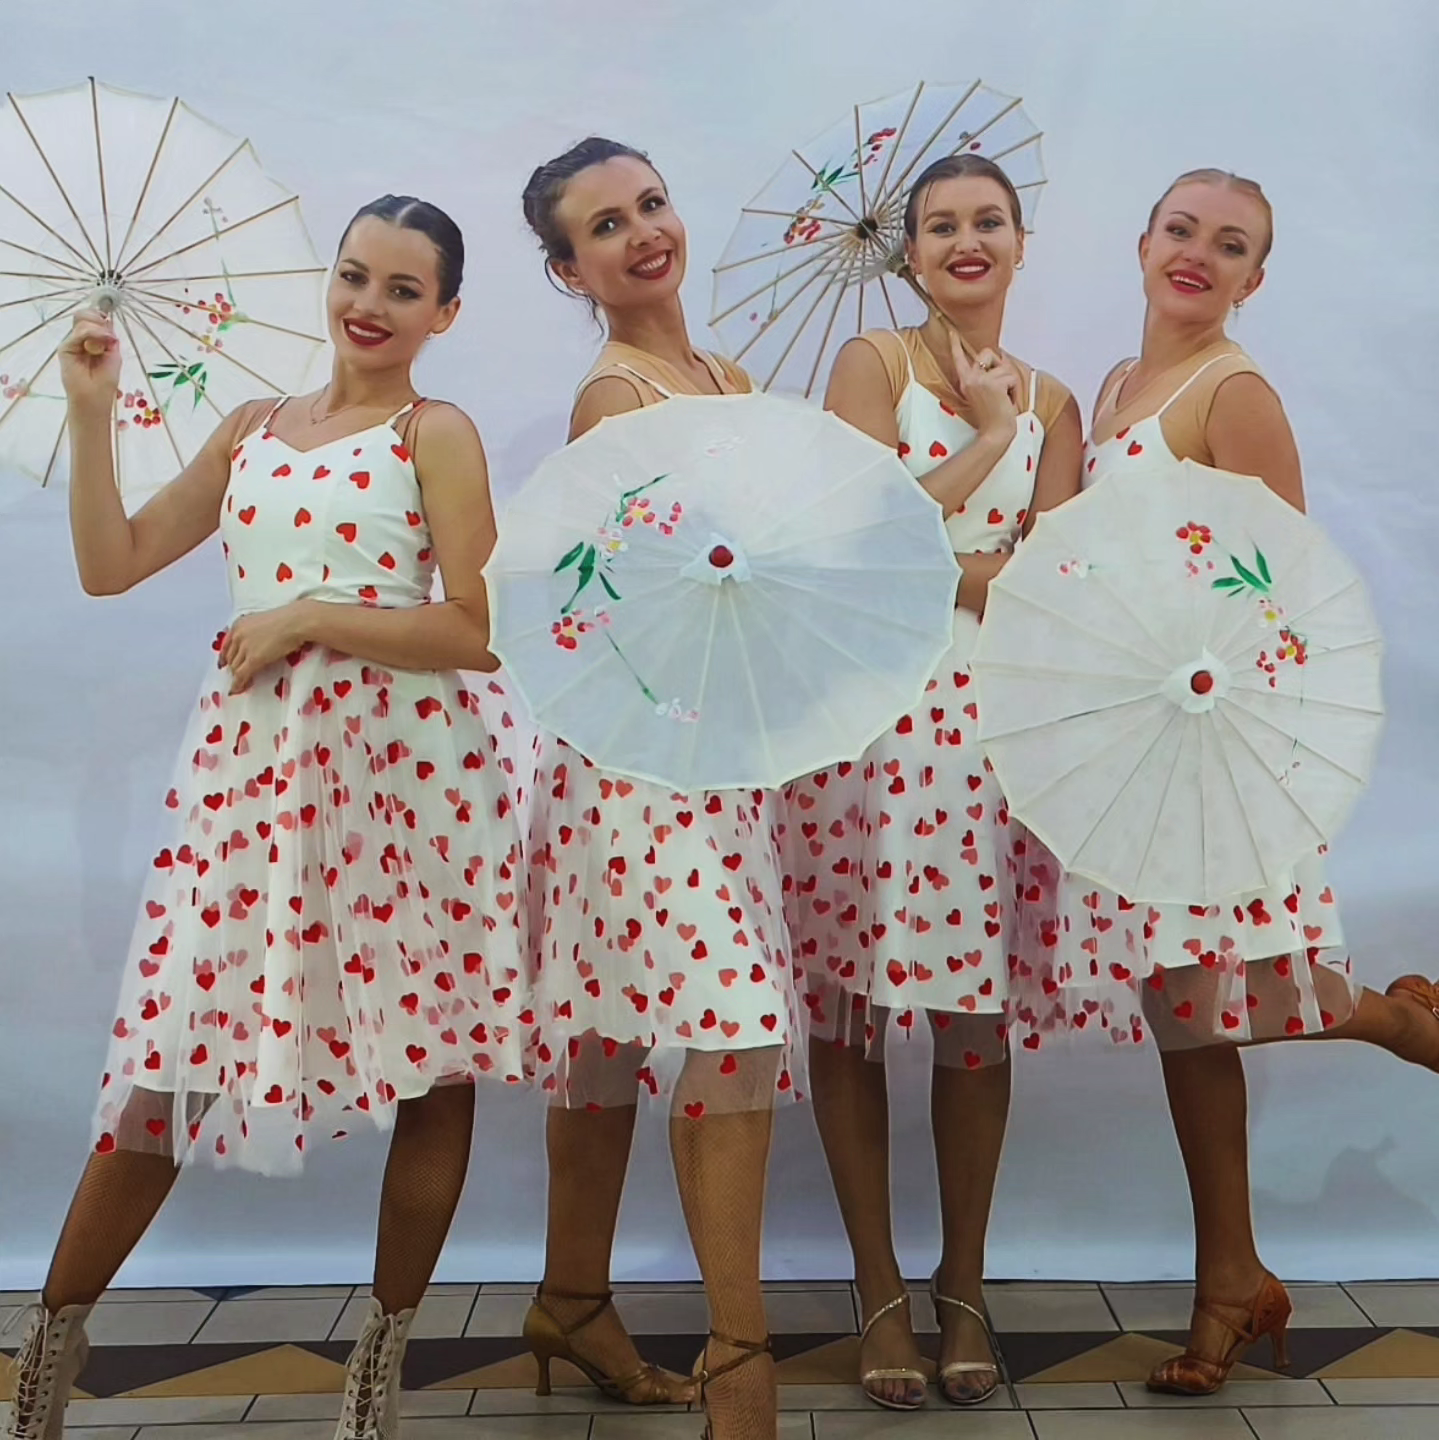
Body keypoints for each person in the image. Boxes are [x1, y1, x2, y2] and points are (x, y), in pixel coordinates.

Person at [4, 196, 531, 1440]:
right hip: (258, 787)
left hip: (417, 791)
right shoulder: (251, 430)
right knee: (167, 1063)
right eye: (357, 275)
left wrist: (308, 616)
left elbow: (477, 628)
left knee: (436, 1072)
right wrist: (91, 414)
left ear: (445, 313)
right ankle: (49, 1350)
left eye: (406, 289)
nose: (372, 303)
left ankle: (378, 1365)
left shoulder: (434, 431)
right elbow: (110, 561)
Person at [1016, 167, 1439, 1396]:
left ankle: (1399, 1019)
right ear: (1142, 240)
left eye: (1230, 244)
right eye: (1181, 230)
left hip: (1217, 737)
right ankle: (1230, 1282)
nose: (1197, 254)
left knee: (1228, 999)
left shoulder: (1231, 391)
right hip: (1135, 741)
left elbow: (1284, 592)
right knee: (1179, 1011)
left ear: (1256, 278)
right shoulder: (1112, 389)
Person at [782, 153, 1082, 1409]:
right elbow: (854, 545)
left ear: (1019, 245)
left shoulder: (1062, 398)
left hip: (994, 732)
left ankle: (963, 1283)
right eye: (940, 226)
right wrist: (992, 442)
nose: (965, 241)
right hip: (866, 723)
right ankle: (877, 1290)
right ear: (910, 256)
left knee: (973, 1014)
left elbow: (1056, 581)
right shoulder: (874, 366)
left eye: (987, 223)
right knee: (847, 1008)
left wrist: (971, 528)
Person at [515, 136, 804, 1440]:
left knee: (607, 1029)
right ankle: (737, 1369)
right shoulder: (615, 403)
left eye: (648, 203)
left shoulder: (723, 378)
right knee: (731, 1025)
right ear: (566, 268)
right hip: (638, 757)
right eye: (602, 226)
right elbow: (635, 610)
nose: (640, 233)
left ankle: (572, 1300)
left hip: (710, 756)